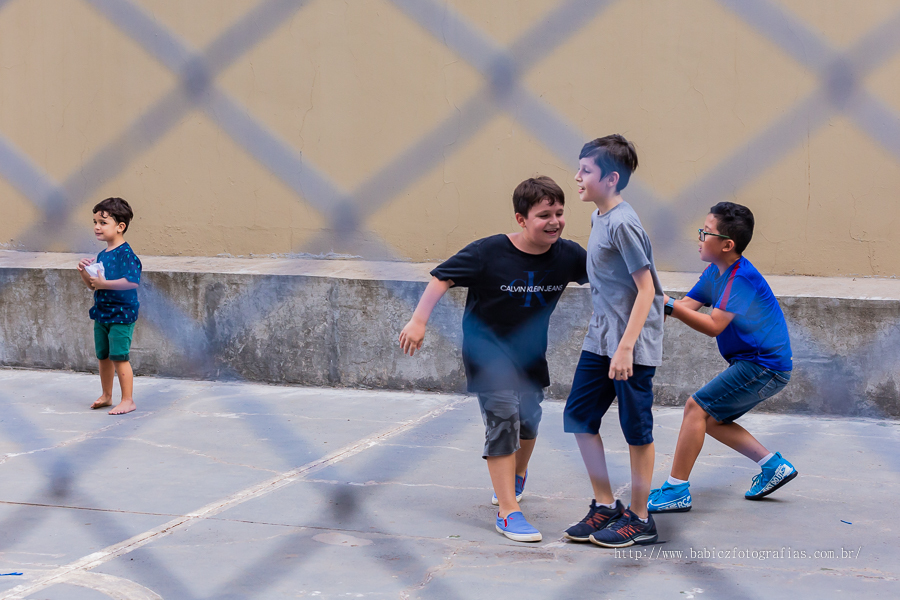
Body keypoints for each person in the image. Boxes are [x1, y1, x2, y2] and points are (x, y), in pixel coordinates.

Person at [399, 176, 587, 542]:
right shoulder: (489, 252)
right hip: (487, 352)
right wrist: (418, 321)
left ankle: (517, 475)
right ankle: (508, 512)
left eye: (559, 213)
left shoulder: (569, 255)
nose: (554, 222)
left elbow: (607, 277)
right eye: (544, 215)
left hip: (529, 354)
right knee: (503, 418)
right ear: (521, 219)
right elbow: (441, 278)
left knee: (529, 419)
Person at [647, 202, 795, 513]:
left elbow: (714, 326)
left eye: (706, 232)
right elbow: (685, 306)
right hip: (755, 363)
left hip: (763, 365)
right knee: (710, 419)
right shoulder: (716, 271)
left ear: (727, 245)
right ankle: (773, 466)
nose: (699, 238)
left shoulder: (740, 279)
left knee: (695, 408)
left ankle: (676, 490)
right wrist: (652, 303)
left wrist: (666, 304)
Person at [563, 135, 664, 548]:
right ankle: (605, 505)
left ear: (611, 178)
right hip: (600, 339)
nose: (577, 177)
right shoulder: (599, 217)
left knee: (635, 429)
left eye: (586, 170)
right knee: (579, 416)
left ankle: (640, 518)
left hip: (629, 346)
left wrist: (625, 347)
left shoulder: (623, 223)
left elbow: (647, 289)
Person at [76, 197, 142, 416]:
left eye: (103, 222)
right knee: (103, 356)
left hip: (121, 315)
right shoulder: (103, 254)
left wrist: (105, 283)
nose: (97, 227)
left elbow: (132, 281)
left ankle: (128, 400)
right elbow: (93, 286)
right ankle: (106, 395)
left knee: (119, 356)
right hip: (102, 314)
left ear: (120, 226)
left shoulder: (126, 254)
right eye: (95, 222)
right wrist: (84, 272)